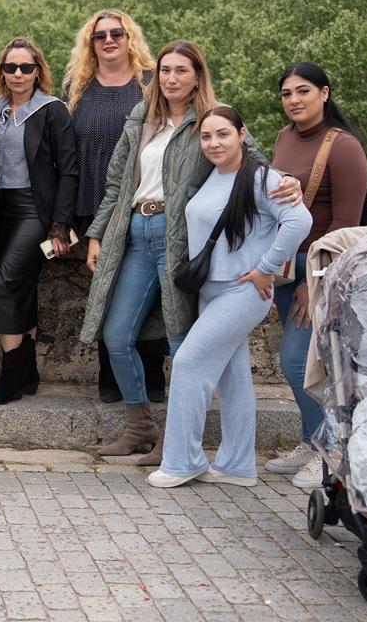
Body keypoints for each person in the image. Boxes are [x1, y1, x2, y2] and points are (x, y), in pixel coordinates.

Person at [81, 41, 301, 462]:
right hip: (134, 230)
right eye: (165, 71)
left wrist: (285, 181)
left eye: (181, 71)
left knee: (182, 333)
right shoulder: (142, 117)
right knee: (116, 333)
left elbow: (253, 164)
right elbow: (117, 182)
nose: (171, 79)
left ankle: (177, 440)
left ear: (197, 75)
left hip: (179, 236)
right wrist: (96, 233)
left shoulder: (213, 120)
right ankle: (140, 425)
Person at [147, 108, 311, 487]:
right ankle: (238, 465)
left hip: (243, 290)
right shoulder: (211, 176)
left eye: (223, 134)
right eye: (206, 137)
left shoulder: (260, 177)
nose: (214, 143)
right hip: (211, 289)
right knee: (233, 379)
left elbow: (299, 221)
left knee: (188, 362)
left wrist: (267, 265)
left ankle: (183, 462)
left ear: (242, 134)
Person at [265, 62, 367, 489]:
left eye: (303, 91)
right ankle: (312, 443)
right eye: (287, 93)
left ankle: (331, 455)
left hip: (322, 269)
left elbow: (347, 227)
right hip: (288, 268)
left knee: (298, 361)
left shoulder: (343, 147)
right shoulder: (284, 138)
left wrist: (315, 283)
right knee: (300, 362)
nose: (294, 100)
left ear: (324, 93)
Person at [64, 9, 168, 404]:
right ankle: (111, 379)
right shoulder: (78, 86)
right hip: (94, 208)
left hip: (143, 203)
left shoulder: (150, 81)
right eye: (100, 36)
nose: (109, 40)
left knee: (148, 296)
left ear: (130, 38)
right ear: (90, 44)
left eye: (117, 34)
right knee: (105, 294)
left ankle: (151, 380)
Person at [0, 38, 77, 404]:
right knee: (21, 289)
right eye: (10, 67)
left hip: (36, 212)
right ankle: (29, 373)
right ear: (1, 71)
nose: (18, 74)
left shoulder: (52, 111)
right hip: (2, 212)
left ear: (38, 72)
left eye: (26, 68)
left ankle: (11, 376)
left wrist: (60, 224)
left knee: (2, 286)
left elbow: (69, 170)